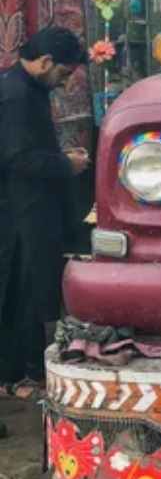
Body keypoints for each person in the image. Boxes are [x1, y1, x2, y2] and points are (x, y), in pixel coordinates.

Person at [0, 27, 90, 399]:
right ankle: (15, 376)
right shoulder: (16, 95)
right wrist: (64, 165)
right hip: (17, 212)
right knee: (18, 292)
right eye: (64, 74)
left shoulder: (27, 88)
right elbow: (18, 158)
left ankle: (24, 371)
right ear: (45, 61)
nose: (65, 83)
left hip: (29, 207)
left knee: (30, 291)